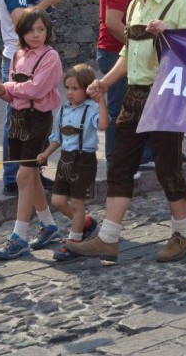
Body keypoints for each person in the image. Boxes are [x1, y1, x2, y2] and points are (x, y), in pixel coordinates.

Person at [68, 0, 186, 262]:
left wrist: (170, 32)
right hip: (134, 95)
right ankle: (109, 239)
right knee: (120, 164)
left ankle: (182, 235)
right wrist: (104, 82)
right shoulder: (135, 5)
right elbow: (128, 54)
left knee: (168, 168)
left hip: (166, 97)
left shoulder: (180, 5)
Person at [0, 8, 63, 260]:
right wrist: (2, 92)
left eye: (41, 29)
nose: (36, 34)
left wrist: (8, 85)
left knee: (24, 176)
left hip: (39, 121)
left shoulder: (50, 57)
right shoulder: (18, 55)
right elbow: (14, 95)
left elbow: (36, 89)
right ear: (22, 32)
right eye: (31, 30)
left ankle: (18, 236)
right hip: (18, 119)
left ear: (47, 31)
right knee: (30, 177)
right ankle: (48, 225)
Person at [0, 0, 65, 196]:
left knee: (36, 122)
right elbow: (21, 23)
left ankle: (31, 173)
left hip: (34, 59)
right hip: (18, 60)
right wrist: (46, 0)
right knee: (15, 122)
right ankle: (13, 178)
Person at [37, 64, 108, 262]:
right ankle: (85, 222)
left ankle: (75, 241)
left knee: (78, 203)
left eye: (75, 88)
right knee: (57, 201)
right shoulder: (63, 110)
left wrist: (101, 101)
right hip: (65, 160)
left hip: (84, 161)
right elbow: (57, 137)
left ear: (86, 89)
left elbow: (103, 125)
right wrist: (45, 153)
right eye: (67, 88)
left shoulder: (92, 109)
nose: (69, 92)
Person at [97, 0, 141, 166]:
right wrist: (136, 46)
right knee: (118, 107)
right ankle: (114, 157)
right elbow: (113, 22)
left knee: (127, 105)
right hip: (115, 52)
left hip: (115, 50)